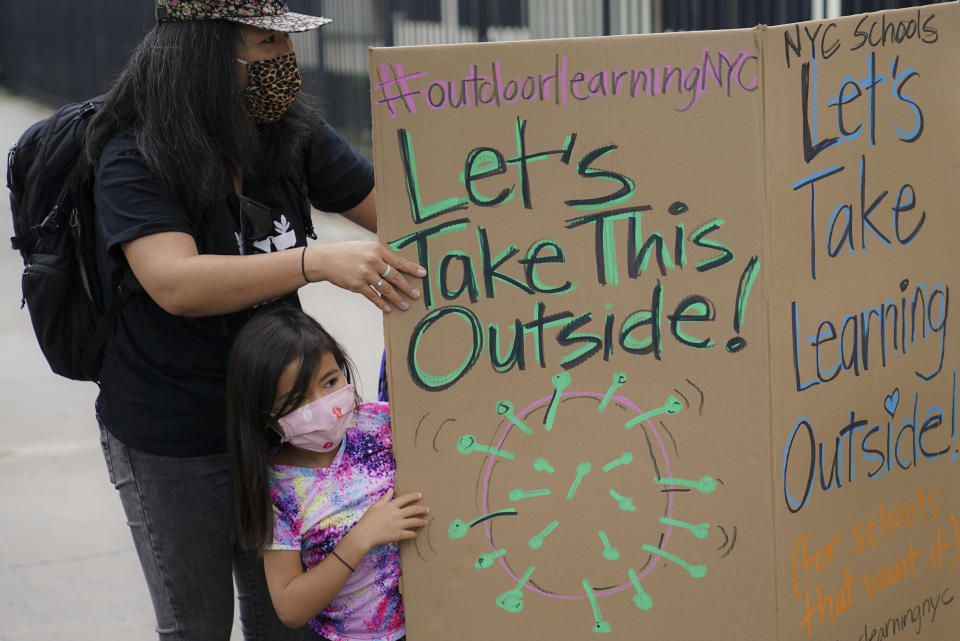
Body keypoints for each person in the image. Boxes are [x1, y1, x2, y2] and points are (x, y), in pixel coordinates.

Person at [83, 2, 423, 639]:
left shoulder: (289, 132)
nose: (283, 60)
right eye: (265, 42)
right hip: (178, 435)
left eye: (284, 42)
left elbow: (404, 214)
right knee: (198, 624)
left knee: (289, 622)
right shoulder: (135, 152)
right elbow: (176, 282)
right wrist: (314, 261)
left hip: (280, 426)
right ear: (205, 58)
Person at [226, 306, 427, 641]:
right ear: (265, 415)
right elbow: (290, 607)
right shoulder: (278, 490)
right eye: (297, 400)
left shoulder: (383, 423)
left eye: (330, 381)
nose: (326, 404)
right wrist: (362, 538)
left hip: (431, 622)